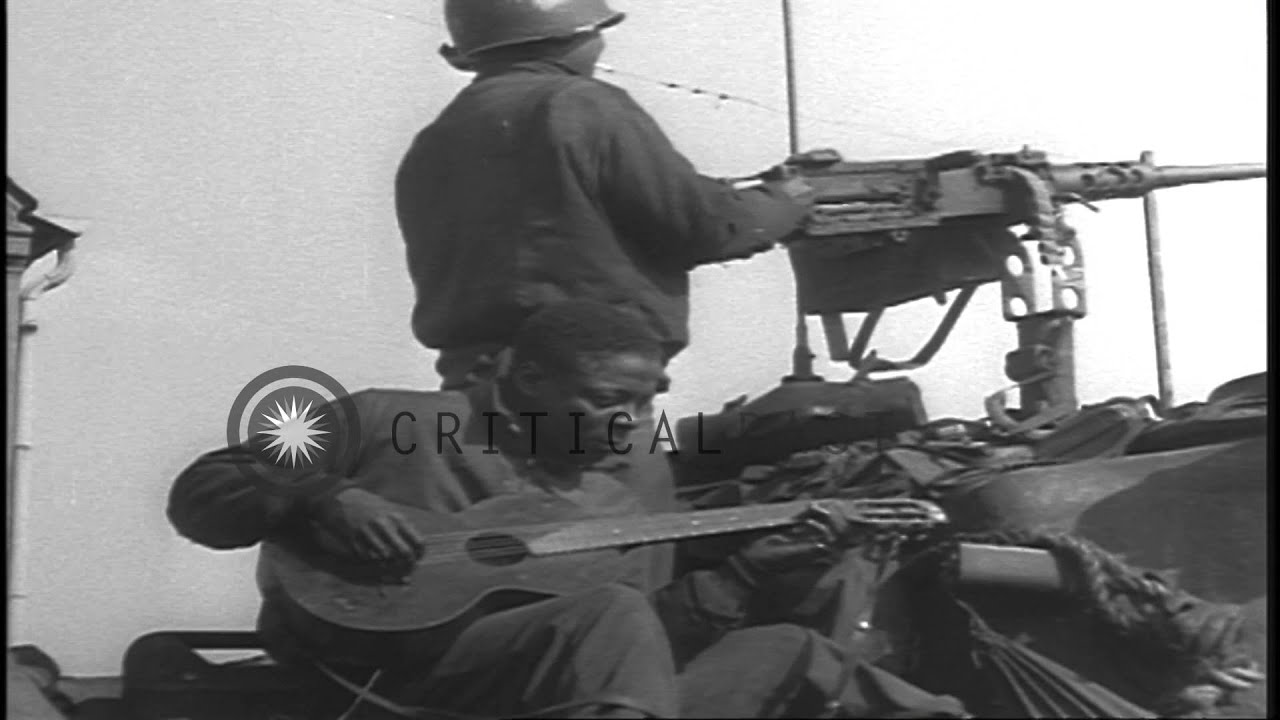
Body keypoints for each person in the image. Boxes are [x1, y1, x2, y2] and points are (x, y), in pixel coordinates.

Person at [167, 301, 966, 718]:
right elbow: (202, 491)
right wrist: (325, 494)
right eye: (609, 400)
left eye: (645, 402)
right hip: (380, 682)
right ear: (530, 379)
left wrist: (749, 574)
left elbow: (650, 638)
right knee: (610, 614)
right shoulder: (389, 420)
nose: (631, 422)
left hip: (557, 699)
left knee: (790, 650)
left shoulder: (634, 479)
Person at [395, 0, 818, 390]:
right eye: (596, 30)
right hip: (588, 385)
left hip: (475, 385)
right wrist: (787, 201)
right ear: (568, 37)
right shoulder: (582, 104)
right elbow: (699, 225)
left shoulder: (435, 140)